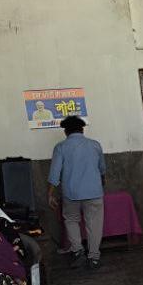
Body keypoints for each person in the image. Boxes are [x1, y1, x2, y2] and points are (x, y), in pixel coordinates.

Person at [47, 115, 106, 270]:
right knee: (94, 224)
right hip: (94, 192)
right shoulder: (95, 145)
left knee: (71, 220)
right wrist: (101, 184)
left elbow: (54, 174)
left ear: (66, 132)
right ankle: (94, 258)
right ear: (82, 130)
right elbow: (102, 169)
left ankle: (78, 252)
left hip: (71, 193)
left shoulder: (61, 147)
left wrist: (50, 194)